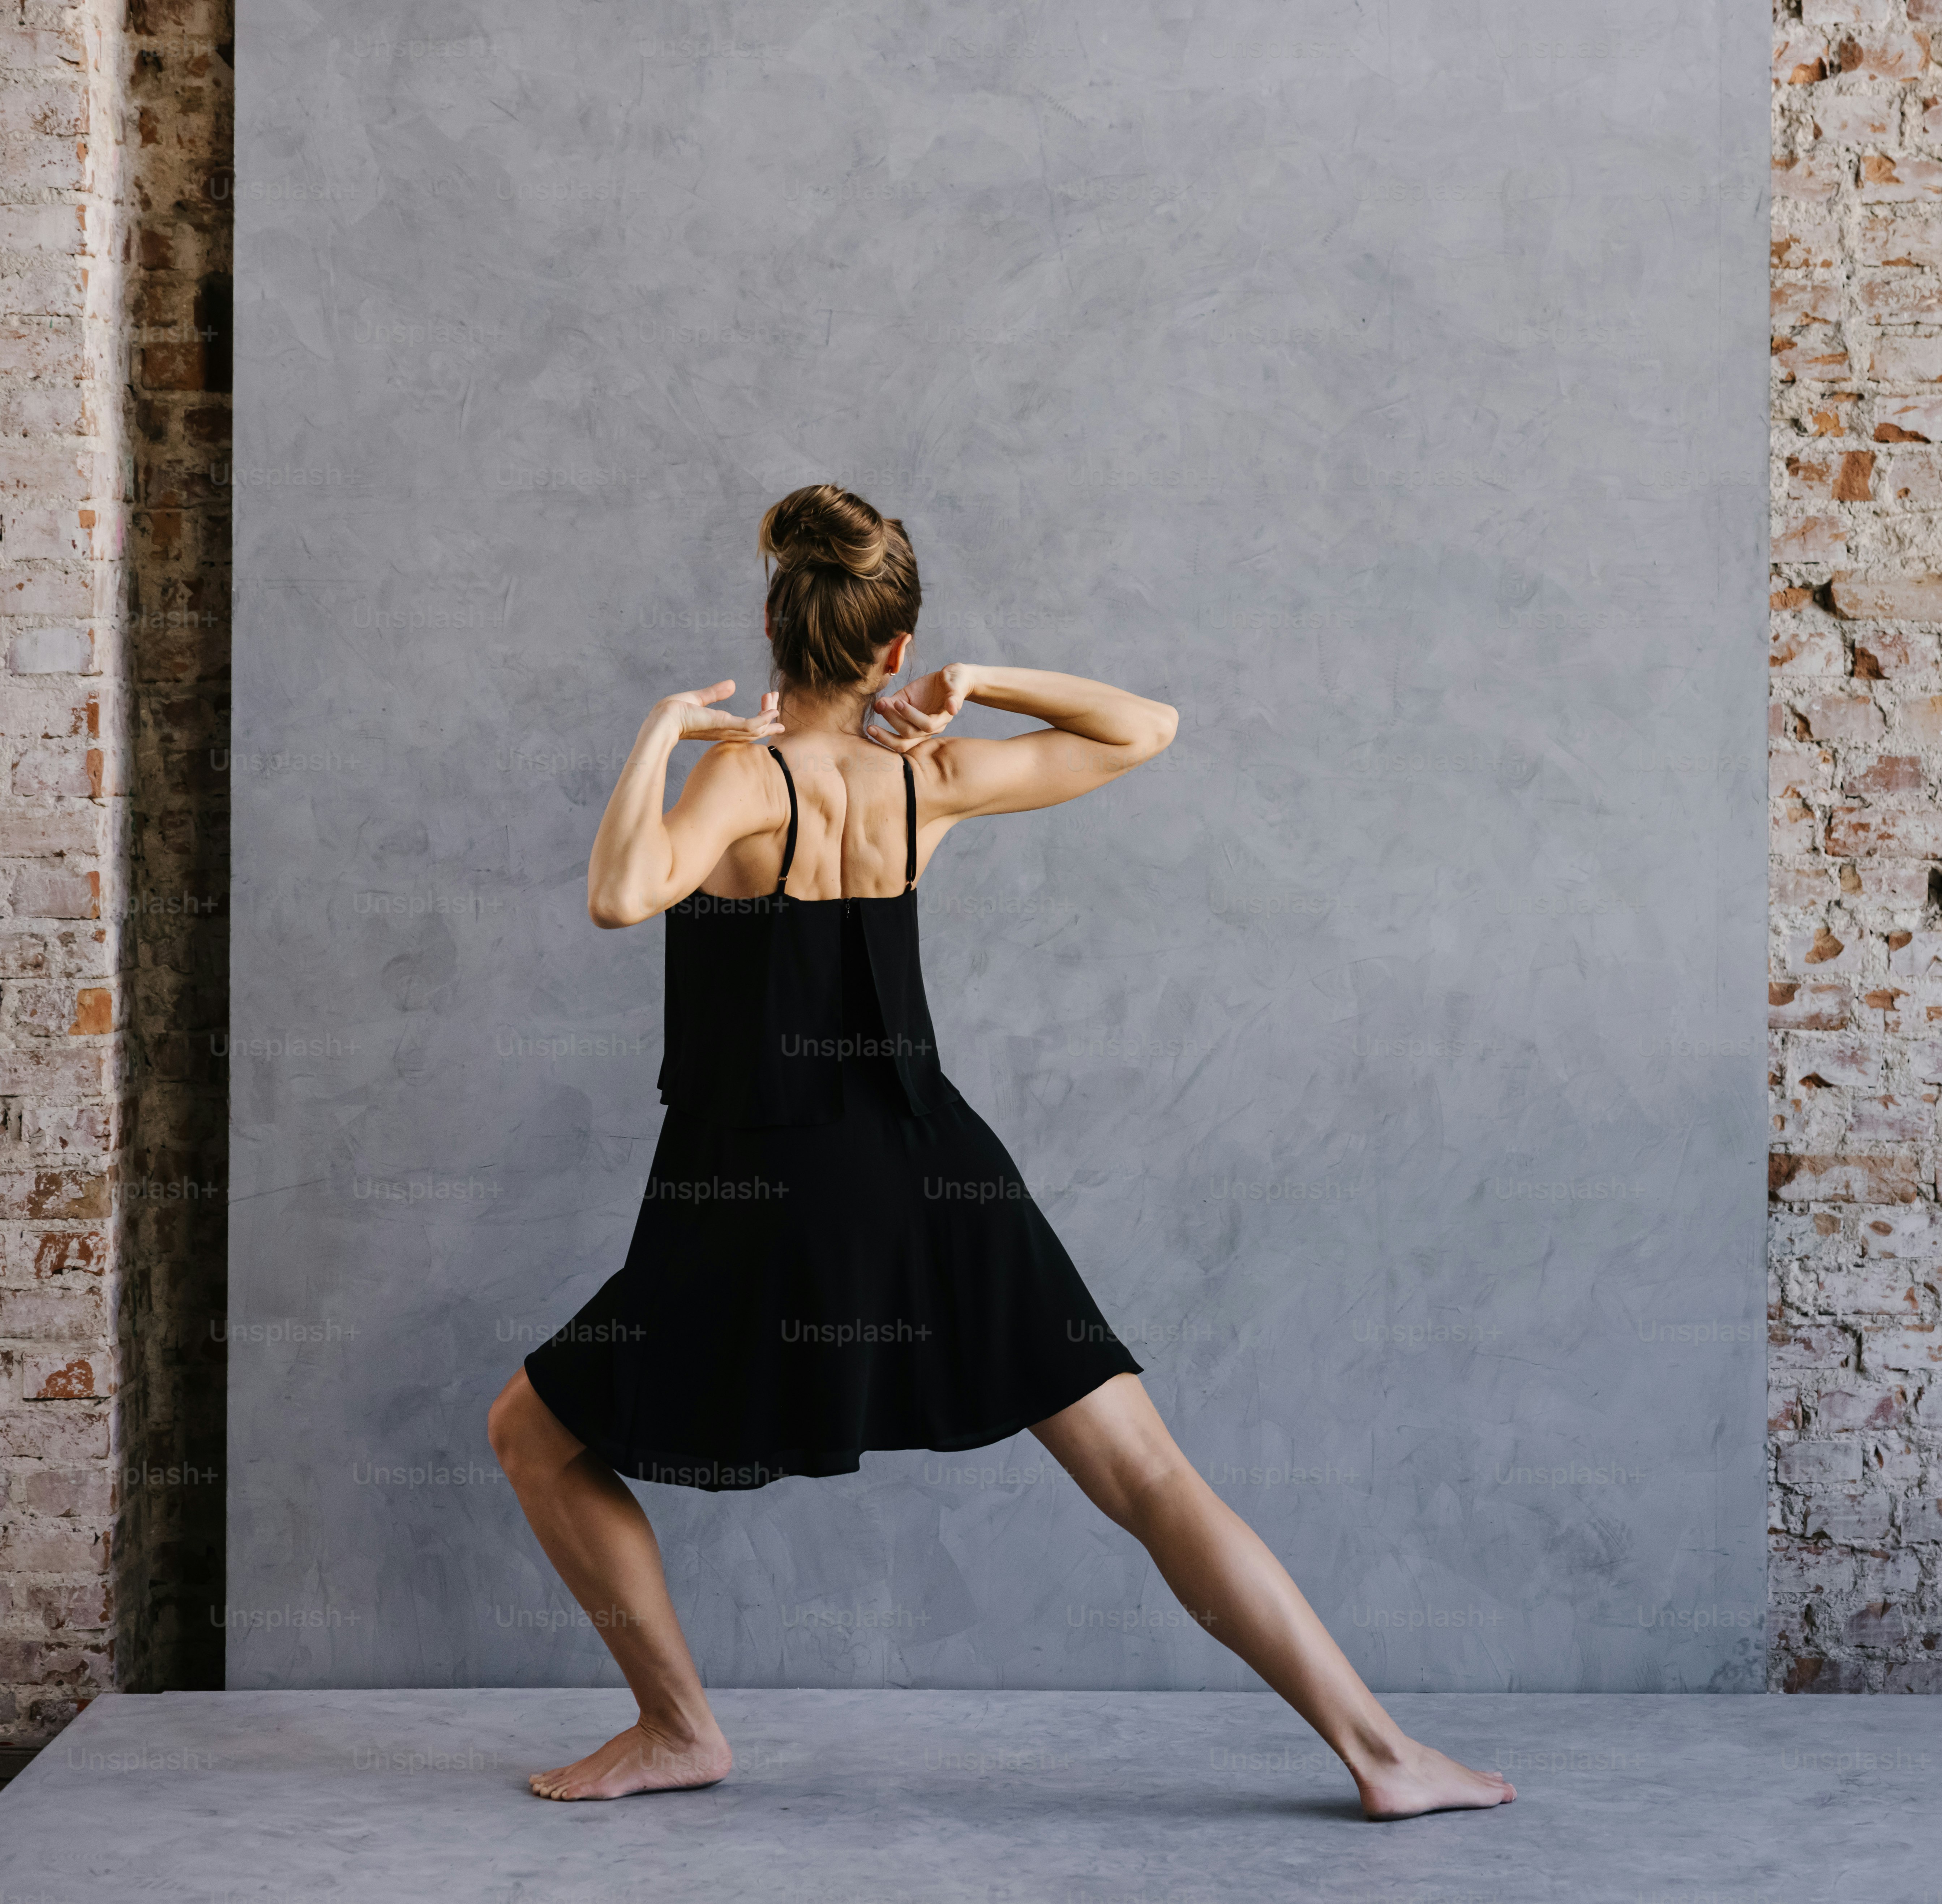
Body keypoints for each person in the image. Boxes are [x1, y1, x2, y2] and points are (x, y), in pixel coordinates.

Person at [483, 484, 1513, 1820]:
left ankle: (677, 1726)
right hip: (935, 1170)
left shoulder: (741, 773)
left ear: (771, 622)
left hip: (764, 1187)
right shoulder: (932, 776)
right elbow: (1148, 728)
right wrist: (990, 681)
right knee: (1149, 1477)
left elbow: (621, 894)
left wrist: (657, 734)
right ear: (894, 651)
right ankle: (1384, 1754)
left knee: (534, 1437)